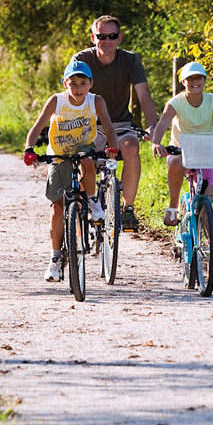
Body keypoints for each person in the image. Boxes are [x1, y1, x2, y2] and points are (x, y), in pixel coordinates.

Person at [23, 60, 118, 282]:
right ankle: (56, 258)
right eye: (72, 83)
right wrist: (29, 149)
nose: (78, 89)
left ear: (91, 83)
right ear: (65, 84)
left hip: (83, 147)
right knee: (57, 205)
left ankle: (93, 201)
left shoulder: (96, 101)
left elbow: (109, 127)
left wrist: (112, 147)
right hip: (58, 152)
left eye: (83, 83)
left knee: (88, 159)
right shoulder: (56, 101)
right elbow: (37, 128)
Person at [151, 61, 213, 280]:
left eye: (198, 78)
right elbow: (163, 123)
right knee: (174, 163)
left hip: (206, 152)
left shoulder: (212, 101)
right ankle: (173, 207)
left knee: (206, 207)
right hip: (181, 150)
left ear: (204, 80)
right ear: (183, 82)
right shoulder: (176, 102)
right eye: (190, 79)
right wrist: (157, 142)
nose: (195, 82)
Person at [72, 15, 157, 232]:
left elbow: (144, 95)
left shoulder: (130, 60)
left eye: (111, 36)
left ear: (119, 38)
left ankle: (128, 209)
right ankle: (85, 212)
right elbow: (69, 95)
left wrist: (152, 126)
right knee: (85, 161)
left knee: (131, 147)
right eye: (101, 36)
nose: (106, 40)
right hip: (89, 124)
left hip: (120, 123)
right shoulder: (81, 60)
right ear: (93, 38)